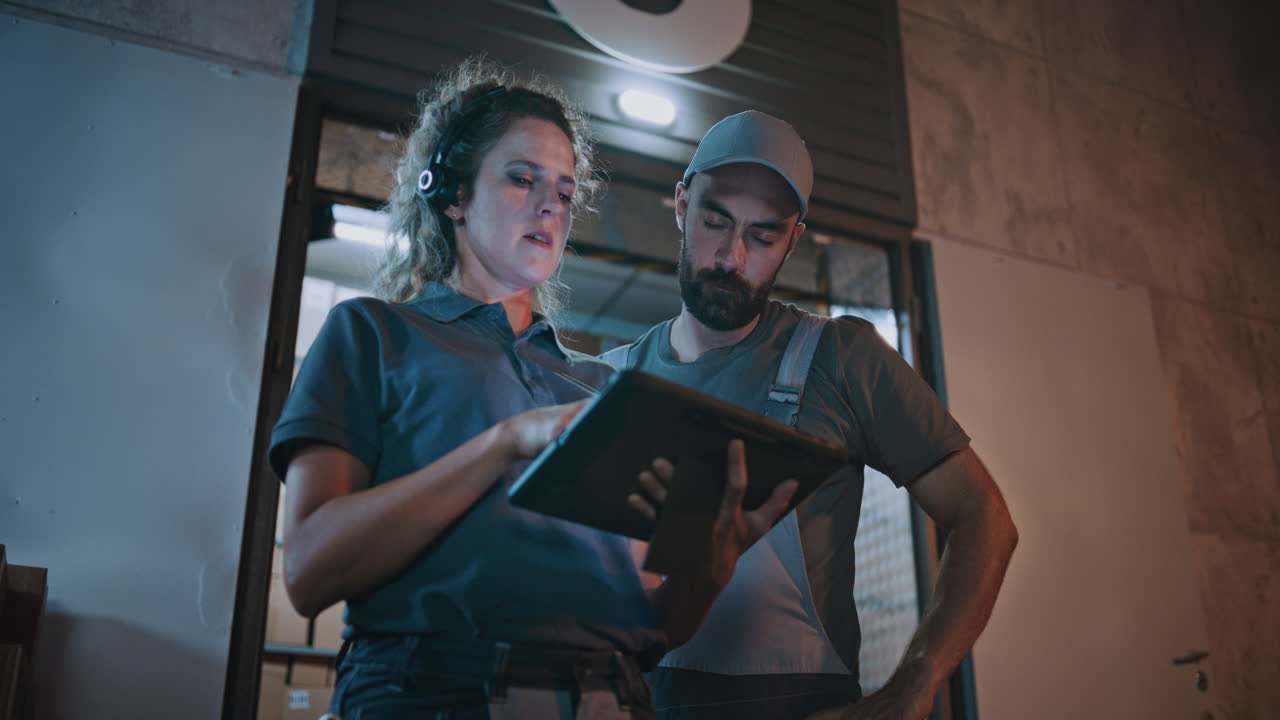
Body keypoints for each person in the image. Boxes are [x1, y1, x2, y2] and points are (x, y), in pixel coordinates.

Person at [269, 62, 796, 720]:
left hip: (613, 696)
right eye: (523, 178)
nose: (551, 205)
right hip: (431, 692)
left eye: (566, 193)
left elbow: (655, 629)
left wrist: (710, 572)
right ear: (454, 195)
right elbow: (311, 569)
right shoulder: (373, 335)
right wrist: (505, 442)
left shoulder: (605, 386)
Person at [601, 111, 1019, 720]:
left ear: (794, 239)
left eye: (763, 236)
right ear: (681, 205)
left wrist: (916, 681)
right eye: (715, 220)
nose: (732, 255)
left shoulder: (841, 358)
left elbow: (984, 515)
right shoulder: (609, 382)